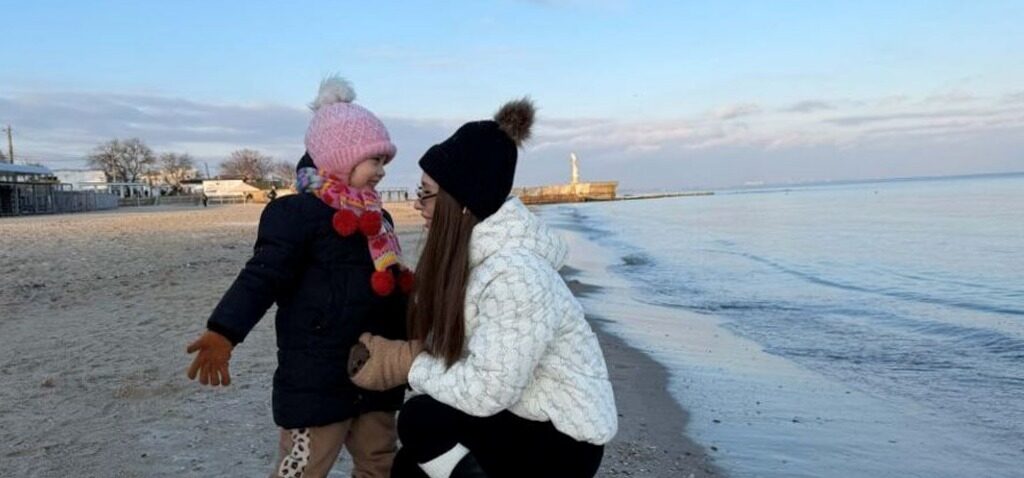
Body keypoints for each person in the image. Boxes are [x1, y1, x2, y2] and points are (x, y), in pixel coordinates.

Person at [348, 98, 617, 478]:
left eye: (425, 193)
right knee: (410, 465)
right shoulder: (473, 261)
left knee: (421, 419)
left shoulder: (516, 275)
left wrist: (407, 365)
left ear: (459, 203)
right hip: (521, 411)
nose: (416, 204)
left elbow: (486, 391)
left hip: (565, 439)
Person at [185, 76, 412, 478]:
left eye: (384, 162)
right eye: (375, 160)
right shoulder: (297, 216)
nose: (381, 172)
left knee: (380, 462)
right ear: (342, 159)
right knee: (304, 466)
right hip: (317, 377)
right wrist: (224, 331)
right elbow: (261, 277)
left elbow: (391, 288)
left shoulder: (380, 218)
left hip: (375, 370)